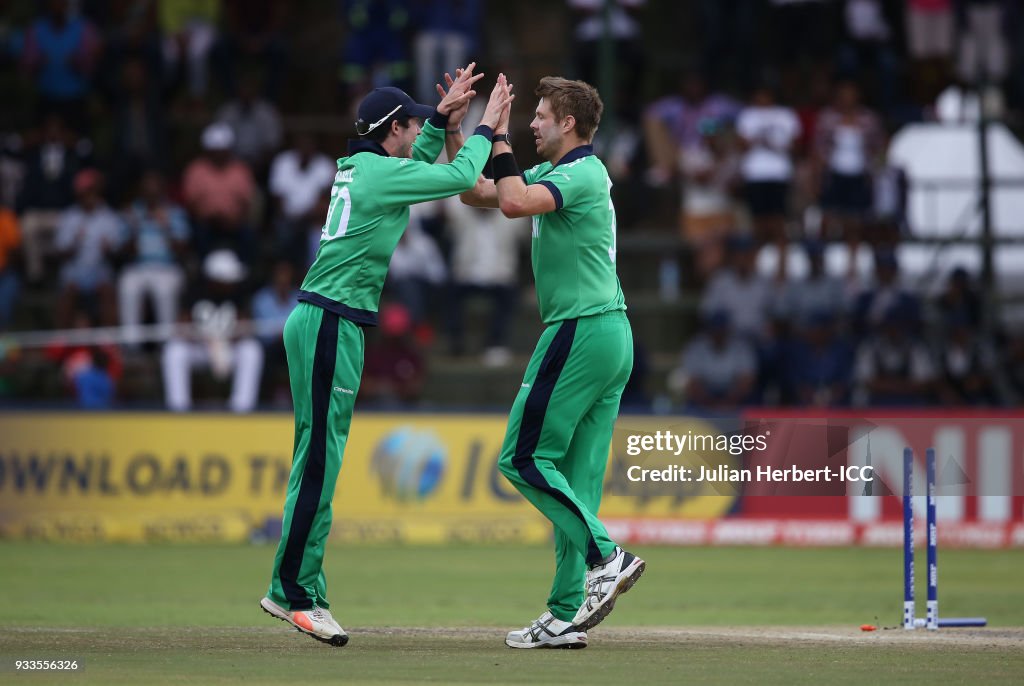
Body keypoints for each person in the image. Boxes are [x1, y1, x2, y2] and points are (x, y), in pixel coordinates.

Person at [259, 64, 512, 647]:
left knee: (317, 458)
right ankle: (293, 591)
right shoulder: (377, 176)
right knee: (319, 462)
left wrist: (443, 118)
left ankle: (304, 585)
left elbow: (416, 161)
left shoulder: (364, 168)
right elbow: (460, 175)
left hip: (324, 320)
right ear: (392, 129)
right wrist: (485, 126)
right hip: (329, 321)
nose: (418, 130)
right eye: (413, 124)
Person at [454, 75, 645, 649]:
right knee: (574, 488)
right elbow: (474, 193)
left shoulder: (582, 172)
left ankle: (606, 558)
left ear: (568, 123)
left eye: (540, 116)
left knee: (521, 458)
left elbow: (511, 203)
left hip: (581, 330)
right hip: (607, 334)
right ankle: (565, 612)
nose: (534, 123)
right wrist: (459, 129)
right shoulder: (562, 173)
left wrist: (502, 136)